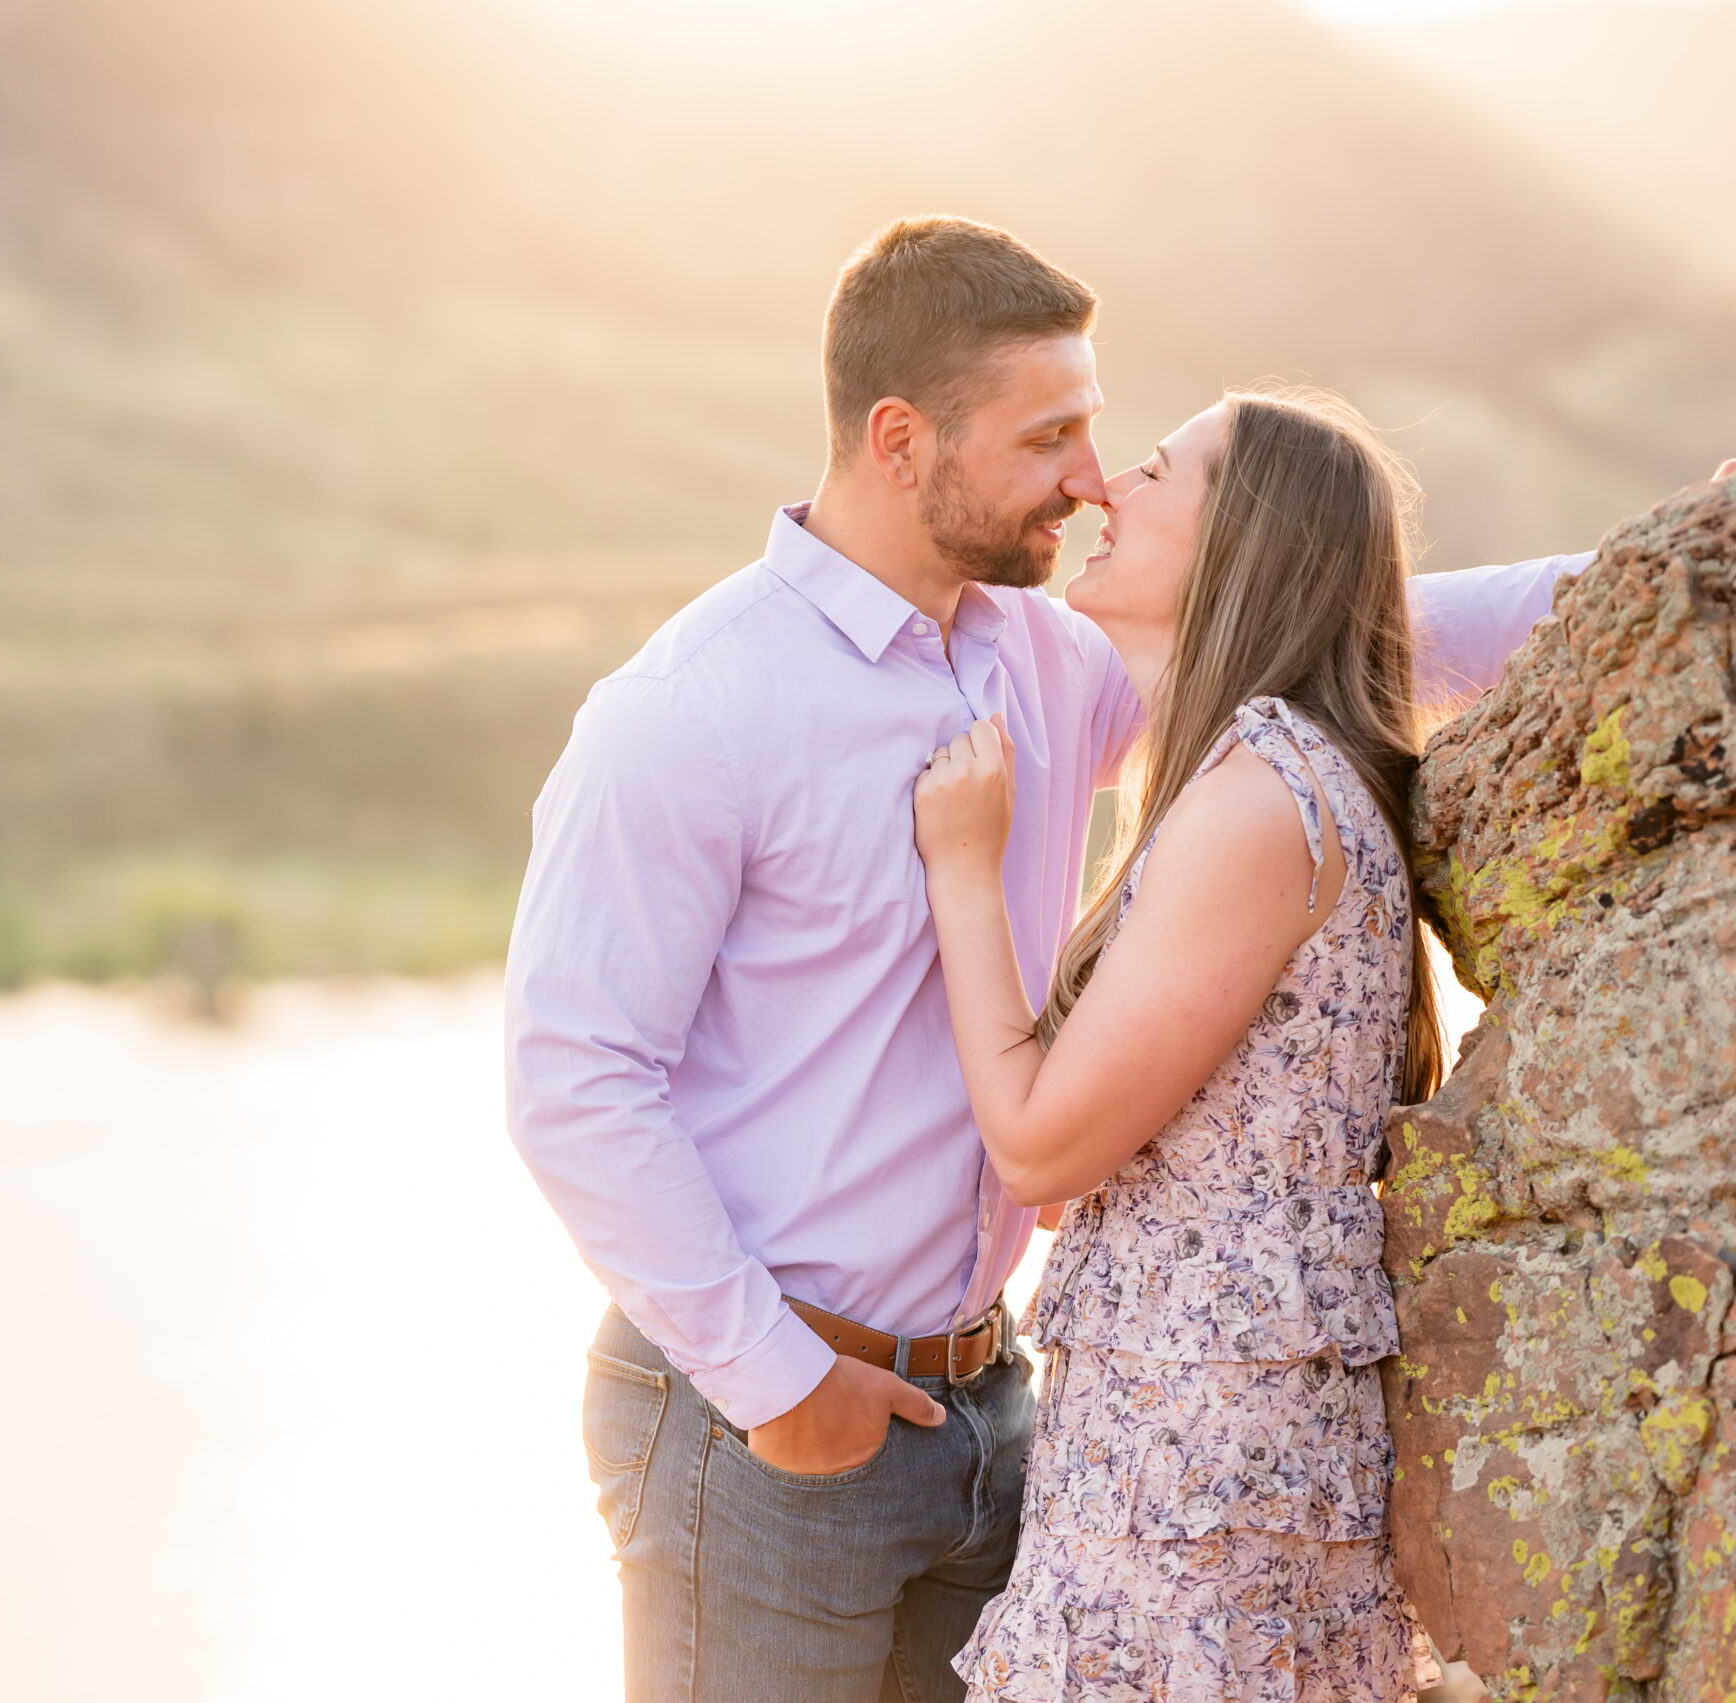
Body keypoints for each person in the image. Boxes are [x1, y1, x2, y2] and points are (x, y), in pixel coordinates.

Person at [503, 216, 1600, 1702]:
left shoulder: (1040, 655)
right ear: (902, 440)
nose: (1091, 476)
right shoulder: (693, 712)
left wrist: (1646, 567)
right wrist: (782, 1387)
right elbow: (572, 1081)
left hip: (992, 1412)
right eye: (1052, 437)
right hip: (758, 1430)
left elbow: (1352, 626)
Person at [914, 389, 1447, 1701]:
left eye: (1155, 470)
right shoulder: (1260, 778)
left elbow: (1039, 1150)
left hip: (1199, 1478)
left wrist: (966, 876)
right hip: (1189, 1445)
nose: (1106, 489)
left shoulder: (1260, 799)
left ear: (1241, 540)